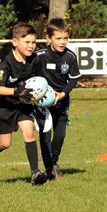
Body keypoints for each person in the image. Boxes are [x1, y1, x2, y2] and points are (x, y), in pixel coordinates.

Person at [0, 22, 48, 186]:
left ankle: (35, 173)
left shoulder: (35, 60)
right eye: (27, 42)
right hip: (5, 106)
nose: (31, 46)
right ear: (15, 42)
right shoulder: (6, 63)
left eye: (34, 42)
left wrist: (46, 94)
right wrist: (16, 92)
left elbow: (40, 82)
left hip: (23, 104)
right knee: (5, 143)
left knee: (29, 132)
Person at [33, 18, 81, 180]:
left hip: (61, 101)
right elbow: (29, 76)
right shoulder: (39, 56)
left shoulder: (70, 57)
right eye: (58, 38)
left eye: (65, 38)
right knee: (45, 135)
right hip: (43, 103)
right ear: (48, 38)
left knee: (60, 135)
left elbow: (74, 79)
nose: (62, 42)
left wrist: (62, 94)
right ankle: (49, 167)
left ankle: (54, 162)